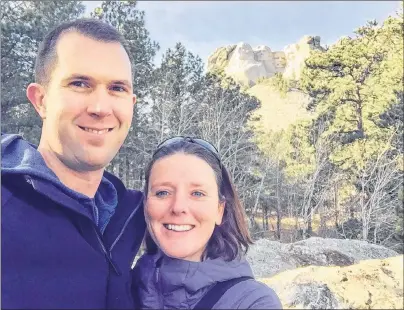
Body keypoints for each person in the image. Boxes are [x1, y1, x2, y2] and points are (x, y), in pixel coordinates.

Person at [1, 19, 146, 309]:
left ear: (131, 104)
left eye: (116, 88)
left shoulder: (131, 215)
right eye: (79, 84)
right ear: (40, 100)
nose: (100, 108)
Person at [132, 137, 282, 309]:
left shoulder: (252, 303)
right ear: (145, 205)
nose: (178, 207)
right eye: (162, 192)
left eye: (197, 193)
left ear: (220, 210)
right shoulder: (120, 289)